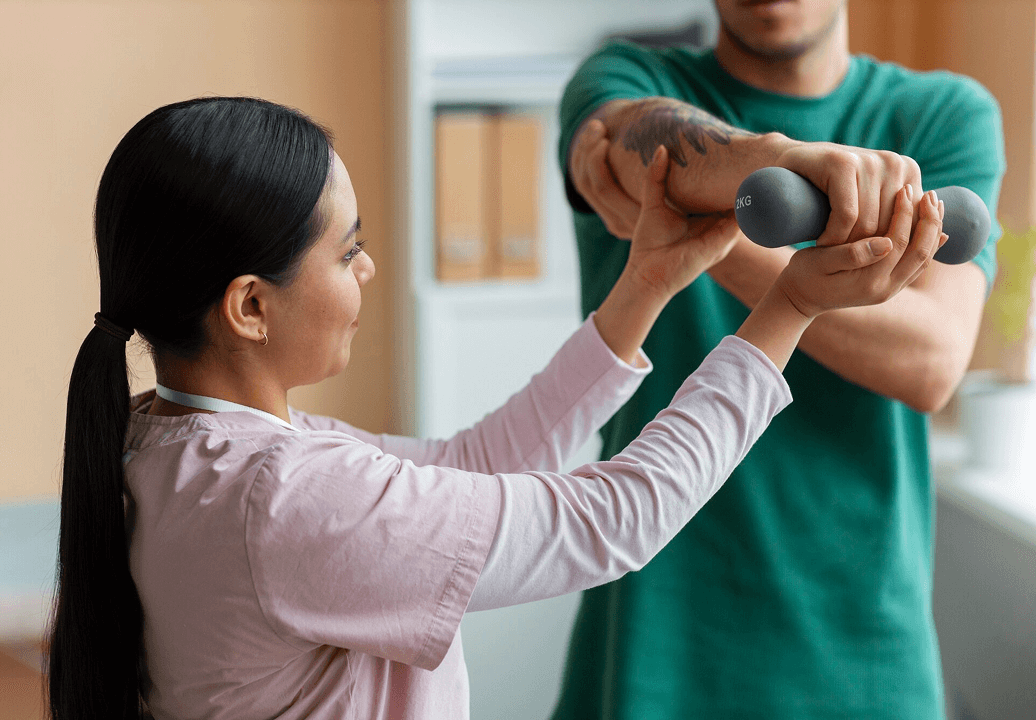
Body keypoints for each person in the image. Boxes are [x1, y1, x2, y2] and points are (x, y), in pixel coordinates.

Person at [47, 96, 943, 720]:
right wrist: (789, 309)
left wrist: (645, 285)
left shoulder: (170, 443)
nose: (365, 269)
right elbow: (613, 521)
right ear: (250, 306)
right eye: (346, 249)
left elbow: (476, 463)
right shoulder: (283, 499)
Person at [551, 1, 1005, 719]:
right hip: (654, 649)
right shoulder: (623, 74)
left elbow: (931, 360)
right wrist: (784, 167)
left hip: (865, 661)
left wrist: (703, 223)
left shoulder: (940, 112)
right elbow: (628, 140)